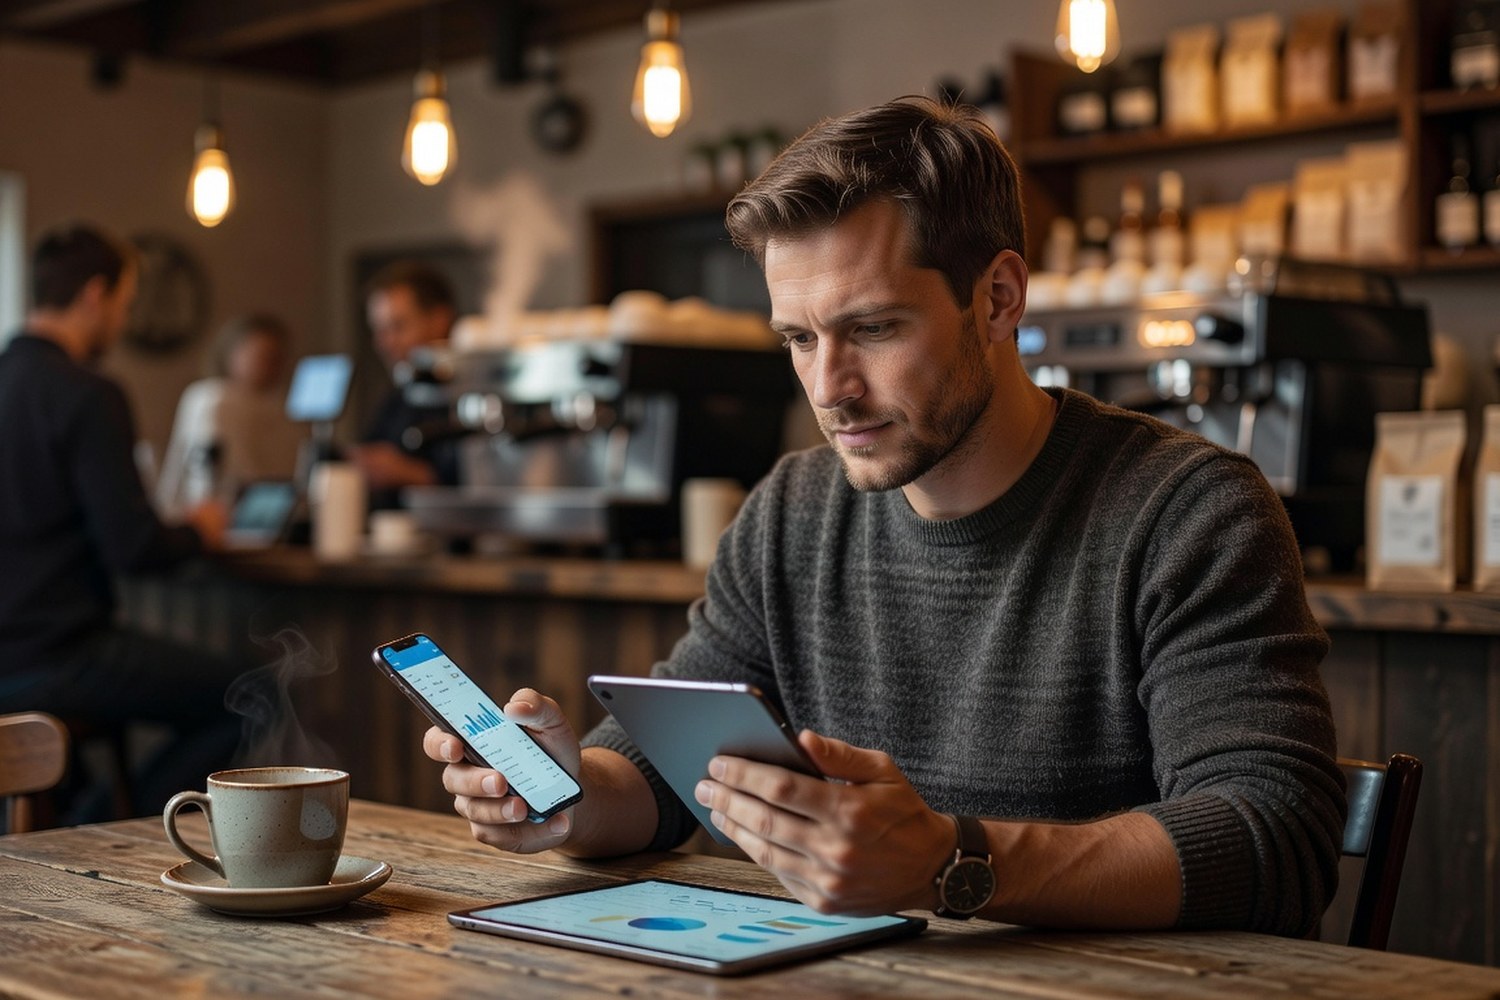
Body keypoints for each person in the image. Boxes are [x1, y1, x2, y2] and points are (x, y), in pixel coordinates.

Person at [421, 97, 1345, 936]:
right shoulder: (791, 510)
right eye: (799, 338)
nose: (831, 389)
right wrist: (566, 795)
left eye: (873, 329)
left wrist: (952, 861)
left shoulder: (1189, 510)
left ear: (998, 297)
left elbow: (1274, 835)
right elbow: (668, 774)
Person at [0, 224, 250, 822]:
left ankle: (85, 811)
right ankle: (118, 824)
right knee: (248, 695)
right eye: (124, 303)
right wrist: (199, 531)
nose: (120, 319)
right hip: (58, 652)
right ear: (95, 295)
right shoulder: (87, 393)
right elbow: (131, 546)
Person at [156, 312, 303, 517]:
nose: (270, 366)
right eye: (263, 356)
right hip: (217, 518)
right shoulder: (215, 399)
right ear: (231, 352)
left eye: (277, 358)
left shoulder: (282, 409)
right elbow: (215, 479)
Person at [348, 260, 459, 509]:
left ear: (439, 320)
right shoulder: (398, 396)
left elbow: (482, 483)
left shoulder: (472, 395)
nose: (384, 343)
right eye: (378, 330)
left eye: (397, 327)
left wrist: (413, 474)